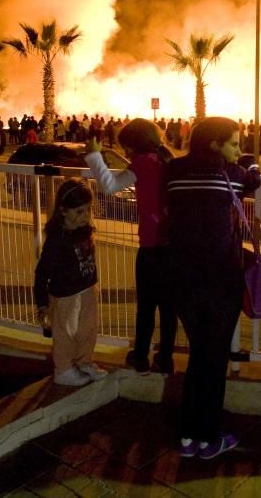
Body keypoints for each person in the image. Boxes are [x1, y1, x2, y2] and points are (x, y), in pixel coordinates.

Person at [164, 117, 260, 459]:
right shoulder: (230, 175)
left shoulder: (173, 170)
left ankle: (188, 436)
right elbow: (253, 180)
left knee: (198, 355)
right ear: (215, 145)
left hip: (182, 277)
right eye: (234, 143)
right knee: (214, 358)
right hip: (220, 279)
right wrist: (251, 163)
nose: (239, 149)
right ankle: (208, 438)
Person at [85, 119, 177, 374]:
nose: (125, 152)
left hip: (151, 246)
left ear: (135, 145)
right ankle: (165, 359)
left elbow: (110, 185)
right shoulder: (168, 161)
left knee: (146, 307)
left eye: (126, 147)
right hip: (173, 247)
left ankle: (140, 358)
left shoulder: (143, 163)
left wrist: (93, 154)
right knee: (169, 309)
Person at [33, 179, 108, 388]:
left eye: (87, 210)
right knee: (65, 333)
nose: (85, 216)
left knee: (87, 329)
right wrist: (42, 304)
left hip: (87, 290)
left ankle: (84, 361)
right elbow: (41, 273)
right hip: (65, 295)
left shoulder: (84, 230)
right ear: (63, 211)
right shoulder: (57, 239)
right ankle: (63, 369)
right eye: (79, 211)